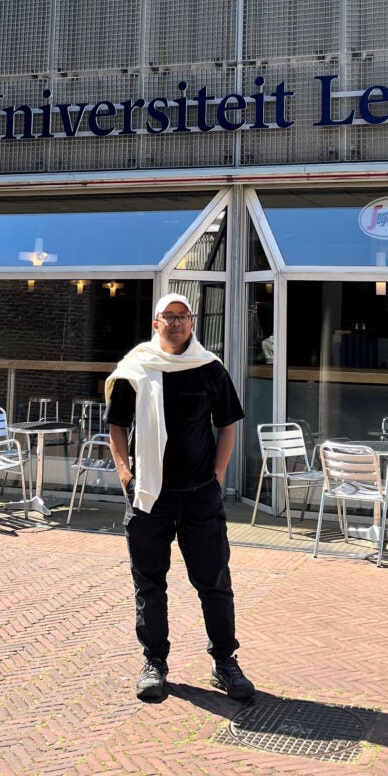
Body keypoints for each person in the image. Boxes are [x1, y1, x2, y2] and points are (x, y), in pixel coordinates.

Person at [105, 293, 254, 703]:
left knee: (215, 583)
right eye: (167, 317)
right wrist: (124, 472)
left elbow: (227, 424)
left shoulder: (210, 368)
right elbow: (117, 425)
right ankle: (154, 662)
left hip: (199, 496)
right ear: (155, 324)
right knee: (149, 583)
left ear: (192, 323)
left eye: (182, 317)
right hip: (150, 496)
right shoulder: (136, 369)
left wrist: (219, 474)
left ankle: (225, 662)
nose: (175, 323)